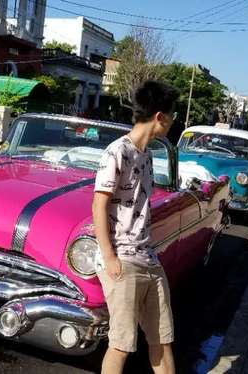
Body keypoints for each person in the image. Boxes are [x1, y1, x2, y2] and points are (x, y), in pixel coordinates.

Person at [92, 80, 180, 374]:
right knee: (121, 344)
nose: (172, 122)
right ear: (159, 116)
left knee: (162, 339)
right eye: (172, 115)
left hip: (148, 258)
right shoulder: (117, 152)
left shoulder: (148, 155)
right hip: (122, 260)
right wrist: (110, 257)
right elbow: (98, 206)